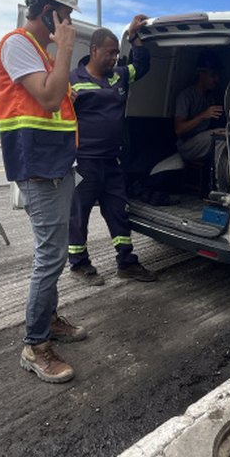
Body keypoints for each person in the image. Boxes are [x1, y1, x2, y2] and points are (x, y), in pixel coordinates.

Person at [0, 0, 86, 384]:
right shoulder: (17, 45)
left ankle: (48, 320)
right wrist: (65, 49)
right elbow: (49, 99)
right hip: (39, 171)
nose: (68, 25)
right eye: (66, 16)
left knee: (56, 251)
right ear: (50, 11)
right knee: (49, 258)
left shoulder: (39, 51)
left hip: (58, 167)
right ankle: (35, 345)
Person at [67, 17, 158, 285]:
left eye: (117, 53)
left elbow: (142, 66)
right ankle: (79, 264)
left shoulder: (119, 74)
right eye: (110, 53)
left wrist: (134, 37)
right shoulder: (74, 81)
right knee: (78, 213)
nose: (114, 58)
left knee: (119, 212)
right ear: (94, 50)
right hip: (84, 162)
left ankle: (126, 262)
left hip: (113, 161)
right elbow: (58, 118)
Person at [173, 52, 226, 163]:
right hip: (187, 146)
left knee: (227, 133)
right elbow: (179, 129)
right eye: (213, 75)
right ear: (201, 74)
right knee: (220, 138)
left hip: (202, 141)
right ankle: (220, 178)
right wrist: (203, 115)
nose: (216, 79)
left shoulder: (210, 97)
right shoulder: (186, 96)